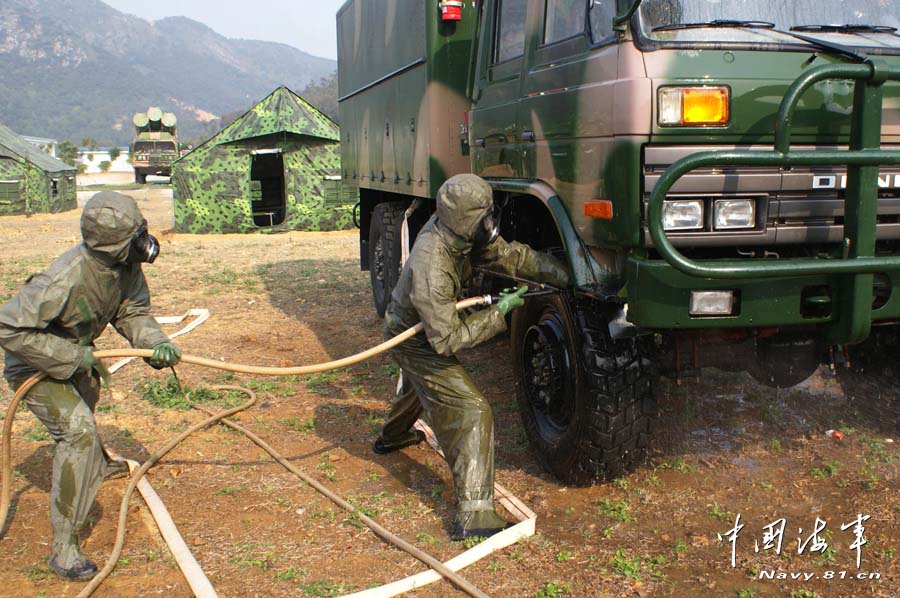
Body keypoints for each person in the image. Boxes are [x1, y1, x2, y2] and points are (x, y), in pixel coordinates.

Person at [373, 174, 570, 540]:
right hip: (412, 339)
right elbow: (446, 340)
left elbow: (508, 256)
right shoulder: (433, 264)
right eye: (485, 216)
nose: (490, 223)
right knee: (470, 409)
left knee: (423, 388)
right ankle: (475, 516)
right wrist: (500, 314)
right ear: (466, 219)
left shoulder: (458, 234)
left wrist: (567, 273)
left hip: (423, 328)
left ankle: (392, 436)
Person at [0, 192, 181, 580]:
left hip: (76, 357)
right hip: (33, 366)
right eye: (137, 235)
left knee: (86, 405)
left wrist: (154, 342)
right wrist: (66, 358)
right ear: (115, 241)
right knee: (77, 430)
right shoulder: (64, 278)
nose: (144, 242)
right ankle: (64, 547)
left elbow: (132, 310)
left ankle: (92, 464)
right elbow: (9, 326)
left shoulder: (123, 265)